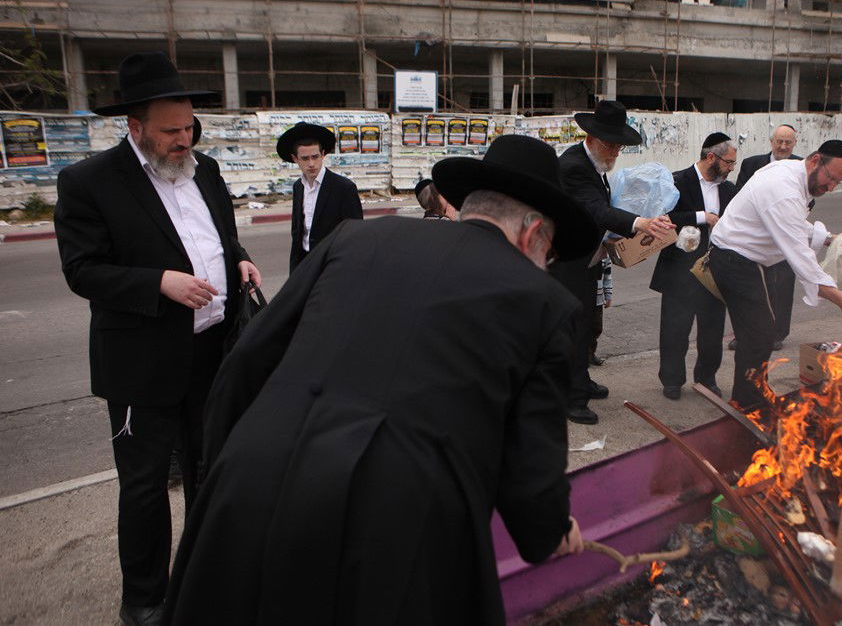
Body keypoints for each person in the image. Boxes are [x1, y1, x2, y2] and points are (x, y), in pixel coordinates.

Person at [164, 135, 593, 626]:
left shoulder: (355, 236)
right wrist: (551, 530)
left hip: (249, 482)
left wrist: (225, 469)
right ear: (532, 233)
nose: (547, 267)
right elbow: (530, 469)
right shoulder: (545, 302)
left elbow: (245, 363)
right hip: (394, 530)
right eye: (551, 254)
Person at [53, 52, 261, 626]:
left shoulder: (208, 171)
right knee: (145, 489)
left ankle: (204, 578)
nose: (183, 139)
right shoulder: (88, 182)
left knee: (207, 472)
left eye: (189, 127)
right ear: (135, 127)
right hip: (141, 364)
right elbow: (82, 270)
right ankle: (144, 599)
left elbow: (220, 237)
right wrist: (158, 283)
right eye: (170, 130)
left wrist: (239, 261)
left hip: (210, 350)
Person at [709, 140, 842, 411]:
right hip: (735, 260)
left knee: (761, 332)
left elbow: (793, 224)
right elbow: (801, 258)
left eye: (837, 183)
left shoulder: (793, 175)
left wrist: (832, 240)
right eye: (830, 178)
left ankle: (753, 392)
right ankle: (747, 402)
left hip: (752, 260)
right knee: (759, 334)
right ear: (816, 160)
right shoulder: (782, 188)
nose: (829, 188)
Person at [550, 100, 674, 424]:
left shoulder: (596, 165)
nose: (616, 152)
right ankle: (571, 398)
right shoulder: (574, 166)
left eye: (620, 146)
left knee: (588, 323)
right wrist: (639, 223)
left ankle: (582, 381)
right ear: (592, 138)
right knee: (573, 330)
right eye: (612, 145)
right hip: (569, 261)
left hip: (588, 259)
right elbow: (595, 209)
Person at [650, 132, 738, 400]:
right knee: (675, 328)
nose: (731, 168)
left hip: (716, 269)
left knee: (712, 329)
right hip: (681, 269)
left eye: (734, 163)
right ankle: (672, 380)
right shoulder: (677, 181)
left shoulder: (728, 188)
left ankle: (706, 378)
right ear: (711, 156)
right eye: (728, 162)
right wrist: (703, 217)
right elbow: (662, 216)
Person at [734, 123, 803, 351]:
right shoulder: (752, 164)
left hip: (784, 236)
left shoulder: (802, 166)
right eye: (779, 141)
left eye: (788, 142)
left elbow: (808, 198)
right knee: (749, 287)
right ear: (771, 141)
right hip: (754, 237)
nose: (783, 146)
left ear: (794, 143)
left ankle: (777, 334)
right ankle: (743, 333)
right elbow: (740, 194)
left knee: (781, 286)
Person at [283, 122, 363, 273]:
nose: (311, 164)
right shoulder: (298, 187)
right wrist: (294, 274)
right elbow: (298, 233)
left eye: (315, 157)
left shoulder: (343, 188)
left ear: (323, 154)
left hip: (333, 266)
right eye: (305, 158)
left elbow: (356, 235)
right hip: (305, 264)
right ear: (295, 159)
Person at [590, 255, 613, 366]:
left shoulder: (604, 255)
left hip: (598, 299)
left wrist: (608, 294)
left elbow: (607, 274)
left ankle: (590, 354)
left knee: (596, 327)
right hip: (582, 297)